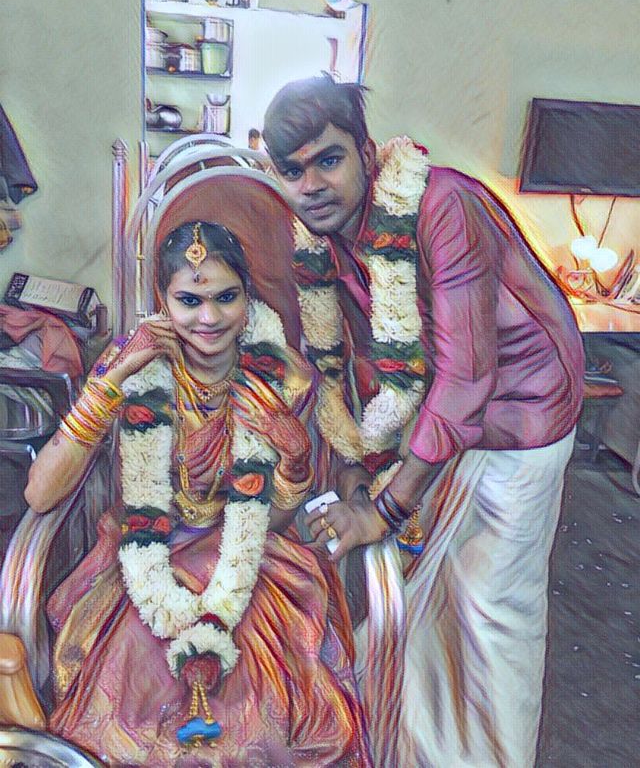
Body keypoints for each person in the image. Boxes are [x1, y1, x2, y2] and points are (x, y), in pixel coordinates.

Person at [263, 75, 584, 767]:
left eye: (328, 160)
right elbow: (359, 358)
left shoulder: (442, 207)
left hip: (525, 410)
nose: (311, 185)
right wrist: (354, 463)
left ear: (367, 152)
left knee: (491, 607)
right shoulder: (323, 237)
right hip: (446, 419)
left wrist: (383, 508)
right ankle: (420, 751)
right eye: (292, 171)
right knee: (430, 595)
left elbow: (468, 377)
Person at [25, 221, 371, 767]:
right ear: (162, 300)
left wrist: (294, 455)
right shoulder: (132, 365)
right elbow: (41, 493)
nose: (209, 318)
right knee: (132, 697)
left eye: (225, 297)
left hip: (252, 565)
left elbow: (271, 522)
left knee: (255, 707)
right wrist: (111, 382)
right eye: (190, 300)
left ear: (247, 298)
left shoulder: (284, 376)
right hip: (143, 565)